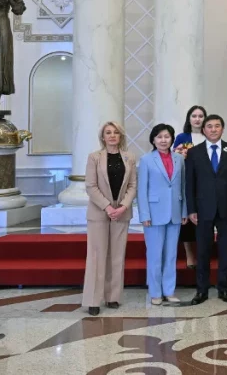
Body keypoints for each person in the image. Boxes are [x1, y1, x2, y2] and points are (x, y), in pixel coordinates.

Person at [82, 122, 137, 315]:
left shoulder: (129, 157)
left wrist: (122, 206)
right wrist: (107, 206)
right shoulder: (94, 157)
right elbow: (90, 186)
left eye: (116, 133)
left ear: (121, 136)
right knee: (97, 256)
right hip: (99, 212)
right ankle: (93, 300)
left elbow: (132, 185)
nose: (112, 136)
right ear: (103, 137)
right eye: (108, 133)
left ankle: (113, 297)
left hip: (121, 212)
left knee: (117, 255)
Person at [186, 115, 227, 305]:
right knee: (203, 251)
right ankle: (202, 290)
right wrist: (191, 209)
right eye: (210, 126)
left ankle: (224, 288)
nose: (214, 129)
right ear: (204, 130)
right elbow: (189, 183)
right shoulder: (194, 153)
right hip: (202, 209)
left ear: (223, 129)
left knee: (226, 250)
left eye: (217, 126)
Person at [137, 123, 187, 306]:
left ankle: (169, 291)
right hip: (154, 213)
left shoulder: (179, 159)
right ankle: (155, 292)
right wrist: (144, 214)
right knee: (155, 254)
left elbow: (183, 186)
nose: (163, 140)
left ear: (172, 139)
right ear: (153, 140)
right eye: (159, 137)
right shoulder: (146, 160)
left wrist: (184, 211)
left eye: (167, 137)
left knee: (171, 254)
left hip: (174, 212)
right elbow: (141, 190)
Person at [173, 105, 206, 270]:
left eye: (201, 116)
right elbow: (174, 158)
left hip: (205, 184)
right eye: (194, 116)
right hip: (186, 182)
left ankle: (202, 253)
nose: (198, 119)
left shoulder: (210, 135)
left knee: (203, 220)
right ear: (189, 118)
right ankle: (189, 255)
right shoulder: (182, 137)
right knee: (187, 220)